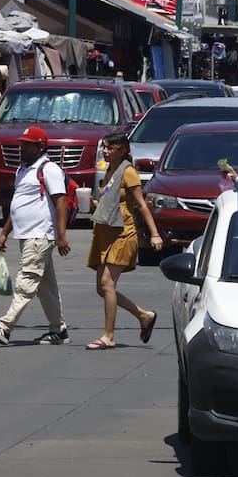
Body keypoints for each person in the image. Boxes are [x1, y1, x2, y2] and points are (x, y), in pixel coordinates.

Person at [0, 126, 71, 347]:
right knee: (45, 286)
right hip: (26, 235)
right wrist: (4, 233)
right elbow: (17, 206)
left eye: (28, 145)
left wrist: (61, 235)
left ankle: (5, 326)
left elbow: (61, 201)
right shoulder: (22, 170)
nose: (23, 148)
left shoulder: (49, 169)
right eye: (22, 144)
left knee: (27, 280)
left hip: (40, 235)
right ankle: (59, 330)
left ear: (41, 146)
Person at [85, 132, 162, 350]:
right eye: (104, 147)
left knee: (108, 284)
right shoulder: (110, 170)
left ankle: (109, 336)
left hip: (122, 233)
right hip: (105, 232)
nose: (105, 151)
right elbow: (108, 201)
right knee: (102, 288)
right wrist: (93, 204)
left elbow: (142, 205)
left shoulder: (128, 172)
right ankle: (144, 316)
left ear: (123, 150)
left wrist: (154, 234)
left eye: (110, 148)